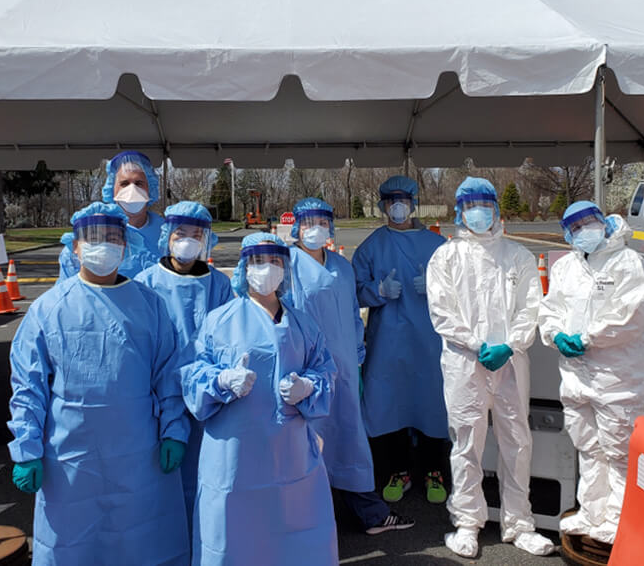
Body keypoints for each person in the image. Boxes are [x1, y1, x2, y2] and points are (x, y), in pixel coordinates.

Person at [7, 202, 190, 565]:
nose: (103, 245)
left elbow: (168, 374)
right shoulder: (48, 309)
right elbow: (28, 385)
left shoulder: (149, 305)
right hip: (70, 458)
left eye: (112, 237)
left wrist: (174, 430)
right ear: (74, 246)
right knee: (75, 545)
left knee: (141, 542)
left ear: (126, 245)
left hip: (140, 453)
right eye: (93, 238)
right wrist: (26, 448)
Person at [182, 233, 339, 566]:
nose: (267, 269)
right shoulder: (219, 322)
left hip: (292, 456)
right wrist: (221, 380)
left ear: (285, 268)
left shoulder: (303, 325)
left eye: (275, 261)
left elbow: (326, 372)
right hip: (234, 459)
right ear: (243, 268)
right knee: (235, 538)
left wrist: (308, 387)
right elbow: (194, 379)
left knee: (297, 534)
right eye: (257, 261)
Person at [426, 177, 555, 559]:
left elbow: (530, 306)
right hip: (465, 363)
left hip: (511, 361)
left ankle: (519, 523)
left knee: (517, 441)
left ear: (496, 208)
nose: (477, 211)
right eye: (470, 205)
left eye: (484, 203)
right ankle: (467, 521)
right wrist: (477, 344)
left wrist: (509, 344)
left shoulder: (517, 255)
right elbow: (442, 311)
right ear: (459, 211)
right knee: (467, 441)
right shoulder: (446, 257)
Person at [288, 198, 414, 536]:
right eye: (307, 221)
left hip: (343, 367)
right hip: (306, 372)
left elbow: (350, 312)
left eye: (322, 221)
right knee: (307, 444)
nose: (315, 228)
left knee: (350, 440)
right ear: (296, 226)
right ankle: (308, 519)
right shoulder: (287, 266)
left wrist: (357, 352)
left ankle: (369, 513)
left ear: (331, 227)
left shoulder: (341, 267)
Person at [539, 201, 644, 545]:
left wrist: (587, 337)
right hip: (577, 378)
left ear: (604, 222)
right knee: (589, 449)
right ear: (567, 233)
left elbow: (631, 317)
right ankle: (592, 514)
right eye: (575, 227)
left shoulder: (629, 264)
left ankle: (620, 521)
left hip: (620, 378)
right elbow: (551, 309)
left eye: (589, 222)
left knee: (620, 452)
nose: (584, 230)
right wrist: (555, 334)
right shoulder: (567, 267)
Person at [134, 201, 234, 528]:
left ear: (207, 240)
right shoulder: (147, 284)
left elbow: (229, 341)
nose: (188, 240)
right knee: (160, 489)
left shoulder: (219, 286)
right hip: (158, 401)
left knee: (206, 482)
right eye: (181, 233)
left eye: (196, 234)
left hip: (208, 400)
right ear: (167, 236)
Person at [351, 175, 448, 506]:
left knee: (432, 403)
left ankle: (436, 470)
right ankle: (397, 470)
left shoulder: (438, 246)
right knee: (387, 403)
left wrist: (437, 289)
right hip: (388, 341)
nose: (397, 206)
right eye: (391, 200)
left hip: (429, 340)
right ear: (382, 205)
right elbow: (354, 291)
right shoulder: (372, 246)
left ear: (413, 202)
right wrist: (376, 291)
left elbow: (458, 290)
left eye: (403, 199)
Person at [58, 150, 163, 279]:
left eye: (139, 183)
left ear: (150, 188)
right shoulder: (90, 235)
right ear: (112, 190)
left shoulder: (167, 233)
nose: (132, 189)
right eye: (124, 184)